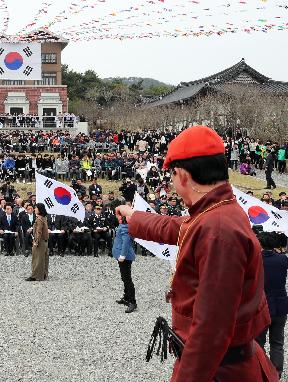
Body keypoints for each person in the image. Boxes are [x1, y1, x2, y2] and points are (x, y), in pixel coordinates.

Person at [116, 125, 277, 382]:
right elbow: (178, 228)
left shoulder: (218, 229)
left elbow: (211, 331)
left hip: (221, 372)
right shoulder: (217, 212)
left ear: (181, 175)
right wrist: (134, 217)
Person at [255, 230, 288, 378]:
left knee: (258, 342)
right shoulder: (283, 260)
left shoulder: (255, 260)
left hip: (261, 306)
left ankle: (261, 372)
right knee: (277, 342)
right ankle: (276, 373)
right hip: (280, 305)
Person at [112, 201, 137, 313]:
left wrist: (122, 255)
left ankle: (132, 301)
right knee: (124, 277)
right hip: (122, 255)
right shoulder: (123, 224)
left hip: (125, 257)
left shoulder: (126, 226)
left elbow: (126, 242)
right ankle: (126, 297)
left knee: (127, 279)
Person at [26, 203, 49, 281]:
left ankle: (35, 276)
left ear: (39, 209)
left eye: (36, 208)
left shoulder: (39, 219)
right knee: (44, 259)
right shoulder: (44, 218)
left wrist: (36, 241)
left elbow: (39, 231)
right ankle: (44, 274)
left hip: (40, 241)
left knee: (37, 259)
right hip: (45, 241)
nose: (34, 209)